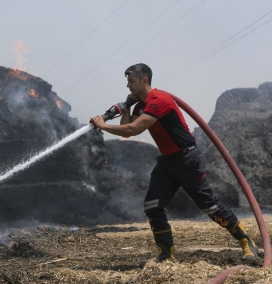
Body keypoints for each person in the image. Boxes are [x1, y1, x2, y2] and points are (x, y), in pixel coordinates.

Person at [89, 63, 257, 263]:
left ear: (145, 80)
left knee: (209, 206)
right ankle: (166, 255)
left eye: (131, 81)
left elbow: (133, 130)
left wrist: (103, 126)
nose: (128, 85)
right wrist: (128, 105)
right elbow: (126, 126)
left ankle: (247, 242)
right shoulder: (142, 104)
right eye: (127, 81)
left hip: (187, 159)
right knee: (153, 206)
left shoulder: (159, 101)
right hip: (168, 162)